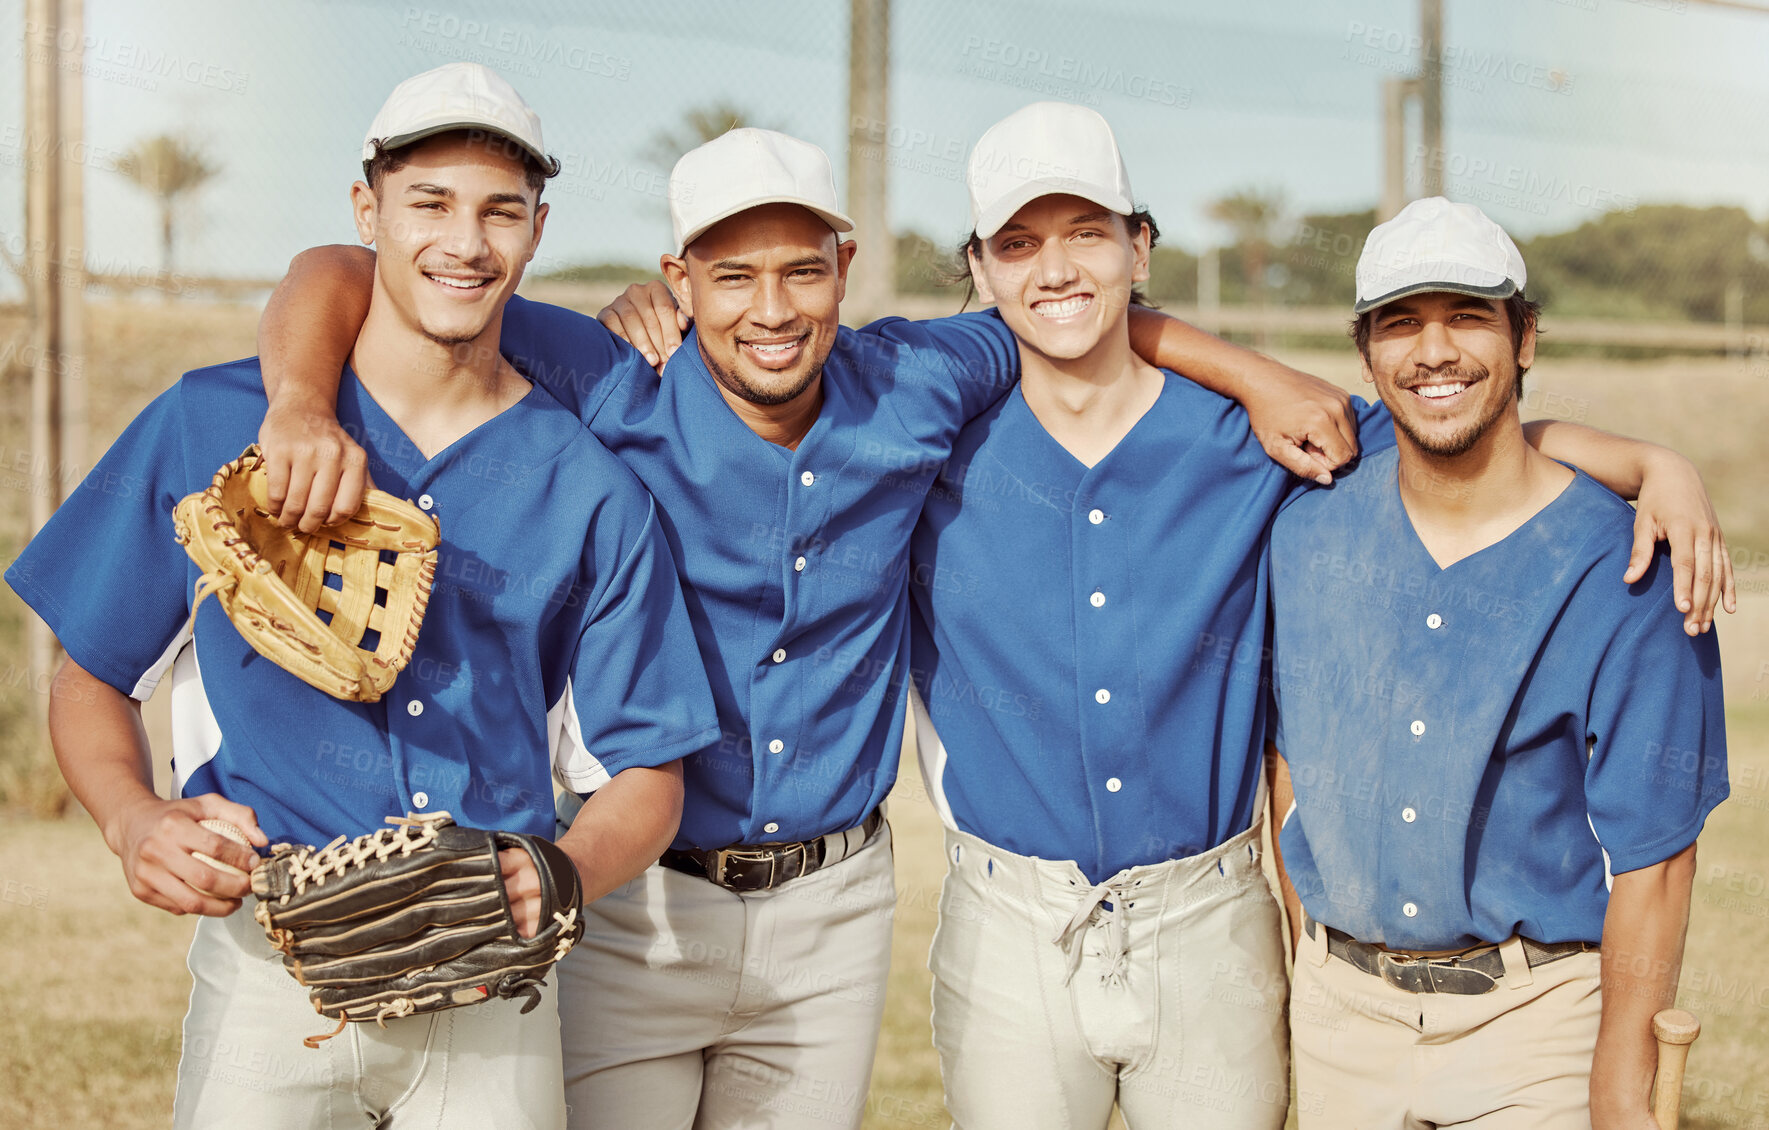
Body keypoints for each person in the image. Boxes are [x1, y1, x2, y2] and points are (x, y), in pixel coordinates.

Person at [250, 121, 1371, 1128]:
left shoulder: (921, 377)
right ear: (675, 280)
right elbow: (349, 268)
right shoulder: (608, 376)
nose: (771, 308)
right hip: (641, 896)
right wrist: (298, 404)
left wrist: (1251, 373)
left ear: (845, 266)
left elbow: (1078, 309)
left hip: (832, 909)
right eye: (729, 274)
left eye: (801, 268)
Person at [899, 102, 1732, 1130]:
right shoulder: (922, 440)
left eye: (1087, 234)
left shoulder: (1263, 441)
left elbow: (1459, 426)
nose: (1057, 267)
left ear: (1139, 246)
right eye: (1018, 244)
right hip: (1006, 914)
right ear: (978, 269)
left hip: (1206, 910)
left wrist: (1655, 461)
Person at [3, 62, 716, 1130]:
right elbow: (94, 674)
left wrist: (558, 874)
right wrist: (131, 815)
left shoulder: (589, 482)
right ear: (364, 211)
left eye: (499, 212)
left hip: (490, 980)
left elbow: (646, 773)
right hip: (265, 964)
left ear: (537, 230)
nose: (464, 243)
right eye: (428, 202)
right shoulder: (214, 424)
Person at [1266, 197, 1729, 1129]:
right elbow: (1289, 768)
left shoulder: (1626, 563)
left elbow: (1657, 862)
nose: (1432, 350)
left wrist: (1616, 1093)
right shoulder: (1304, 530)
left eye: (1467, 316)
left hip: (1532, 1022)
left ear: (1524, 339)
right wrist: (1298, 975)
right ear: (1365, 354)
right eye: (1400, 323)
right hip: (1335, 1017)